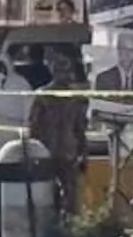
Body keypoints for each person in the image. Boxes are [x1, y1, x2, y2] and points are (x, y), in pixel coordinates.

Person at [26, 68, 88, 218]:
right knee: (59, 193)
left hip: (58, 151)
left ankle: (64, 224)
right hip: (54, 151)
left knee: (64, 193)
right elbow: (34, 126)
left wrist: (83, 152)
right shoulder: (45, 96)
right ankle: (61, 223)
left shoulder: (72, 98)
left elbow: (80, 128)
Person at [92, 30, 133, 97]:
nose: (127, 54)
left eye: (131, 50)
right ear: (118, 50)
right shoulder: (103, 79)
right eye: (124, 49)